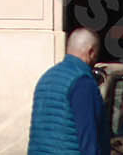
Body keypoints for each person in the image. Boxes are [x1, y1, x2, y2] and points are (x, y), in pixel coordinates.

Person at [27, 27, 108, 155]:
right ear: (91, 52)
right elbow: (88, 137)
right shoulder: (83, 82)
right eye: (96, 55)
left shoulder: (46, 78)